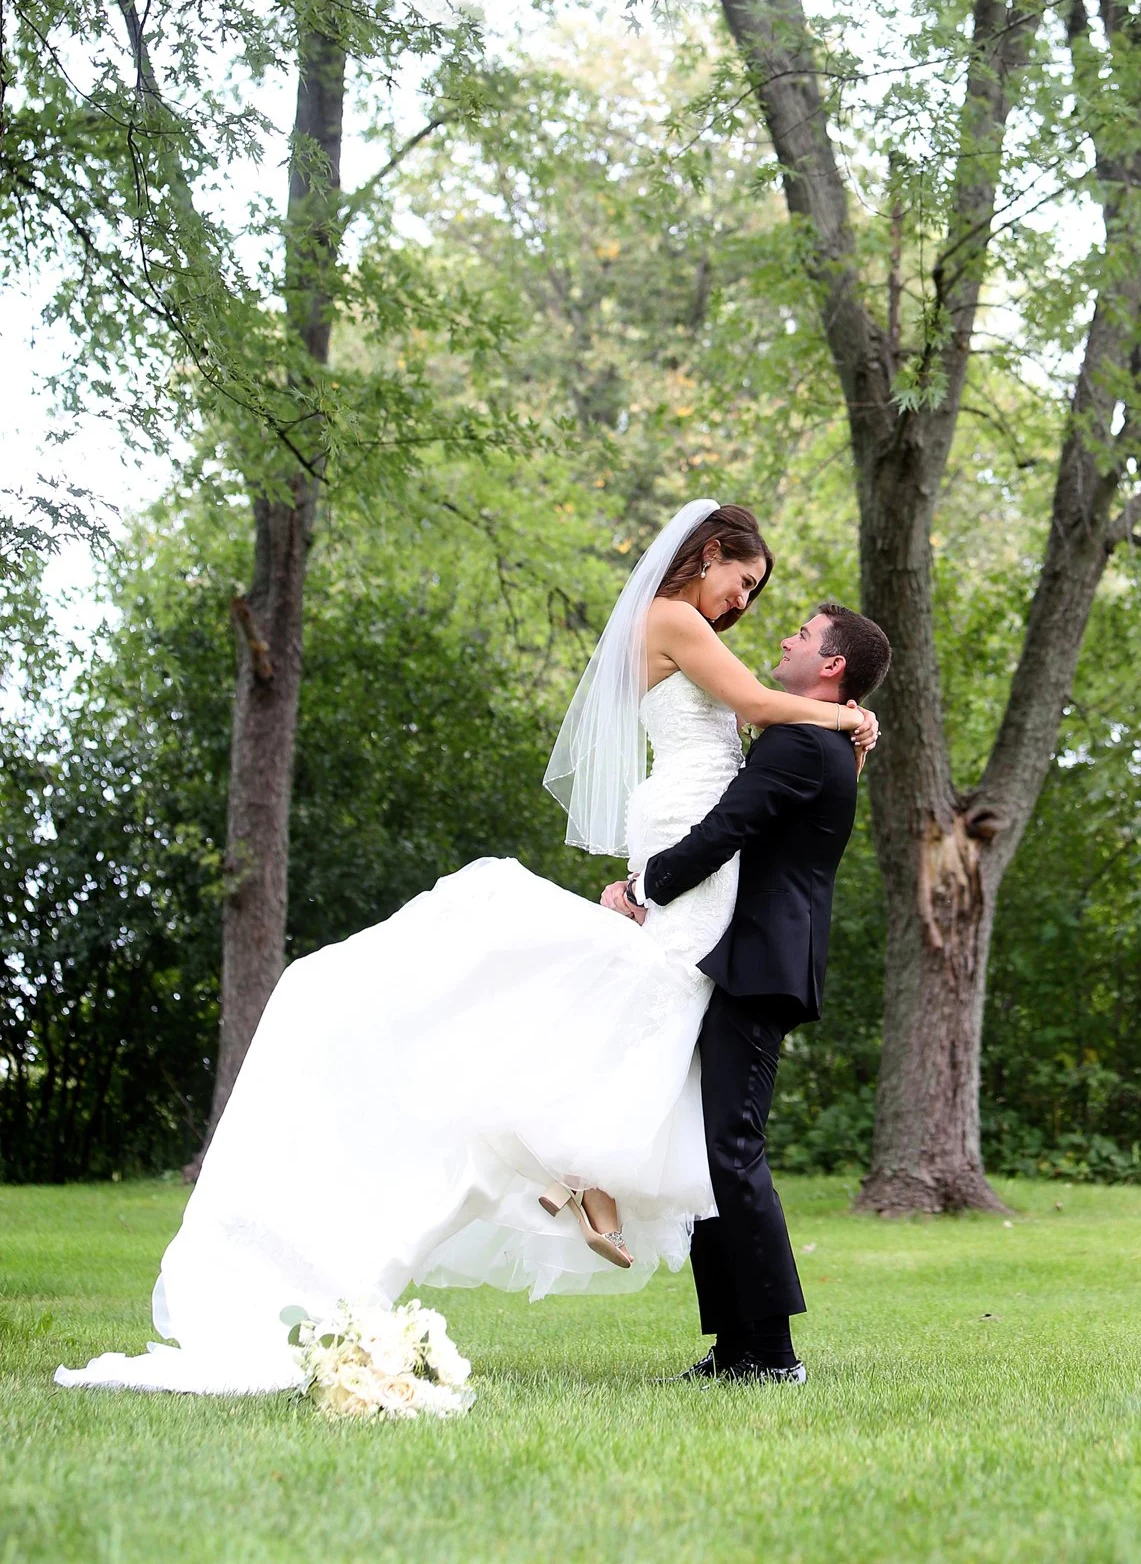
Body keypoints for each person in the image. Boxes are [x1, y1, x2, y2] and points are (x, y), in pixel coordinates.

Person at [55, 500, 878, 1396]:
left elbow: (764, 785)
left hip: (700, 887)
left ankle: (611, 1198)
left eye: (770, 607)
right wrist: (848, 721)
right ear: (711, 552)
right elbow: (758, 724)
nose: (747, 608)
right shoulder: (683, 625)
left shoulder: (778, 719)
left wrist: (657, 871)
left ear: (830, 665)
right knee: (683, 1089)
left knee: (697, 1110)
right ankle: (596, 1184)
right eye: (744, 582)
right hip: (687, 866)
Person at [602, 601, 891, 1385]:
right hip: (745, 957)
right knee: (712, 1152)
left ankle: (770, 1354)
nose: (785, 639)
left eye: (801, 635)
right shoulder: (817, 737)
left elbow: (723, 828)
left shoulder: (801, 741)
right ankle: (734, 1348)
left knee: (730, 1150)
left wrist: (641, 885)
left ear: (831, 666)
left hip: (760, 963)